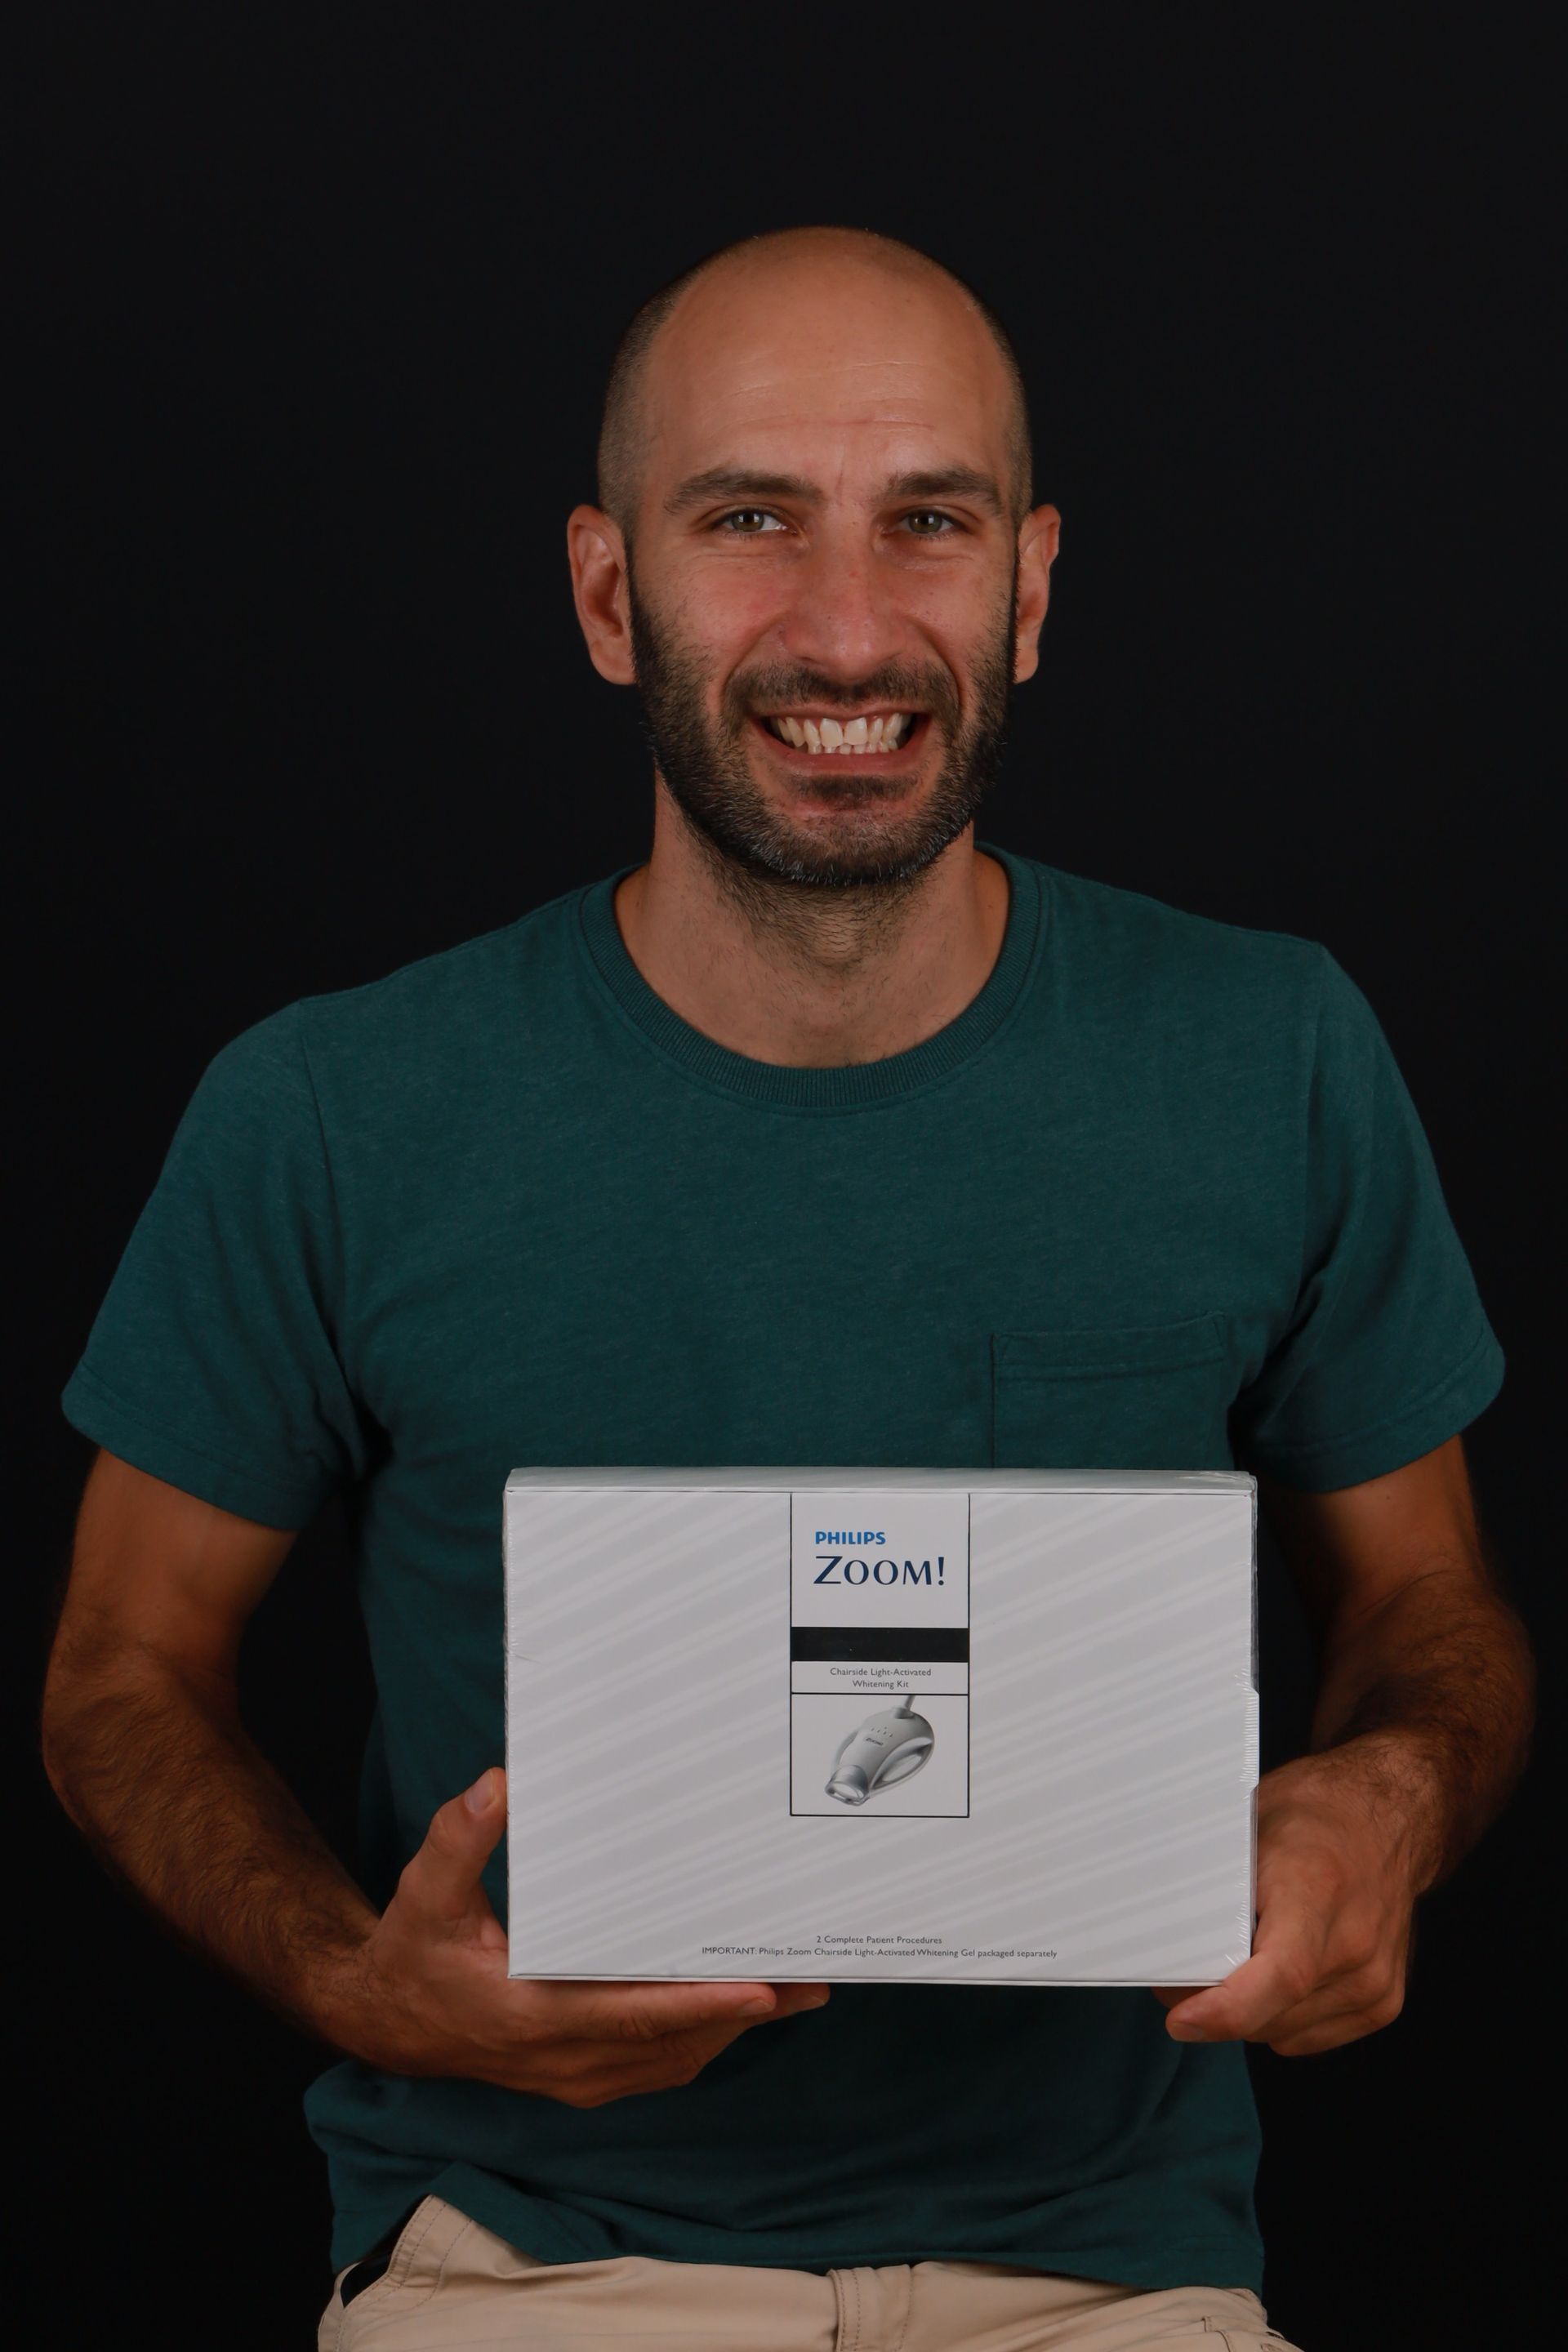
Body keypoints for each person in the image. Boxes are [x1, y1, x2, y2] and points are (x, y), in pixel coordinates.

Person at [43, 225, 1533, 2352]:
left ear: (1026, 588)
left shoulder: (1272, 1053)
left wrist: (1396, 1790)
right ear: (604, 588)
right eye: (750, 520)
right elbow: (116, 1671)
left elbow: (1433, 1608)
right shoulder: (331, 1109)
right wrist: (352, 1976)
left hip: (1119, 2275)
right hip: (536, 2259)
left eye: (926, 523)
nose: (850, 626)